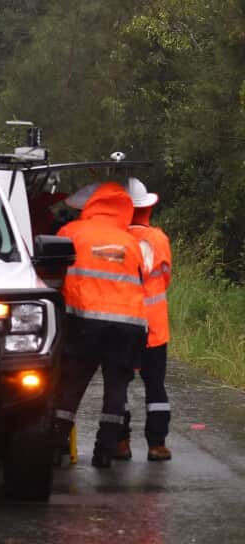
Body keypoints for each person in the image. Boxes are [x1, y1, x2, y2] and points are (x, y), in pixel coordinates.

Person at [51, 181, 148, 468]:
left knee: (71, 384)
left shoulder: (71, 232)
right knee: (116, 389)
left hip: (84, 320)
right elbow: (141, 279)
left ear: (92, 204)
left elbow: (53, 274)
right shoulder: (130, 242)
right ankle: (105, 453)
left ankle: (54, 448)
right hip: (128, 325)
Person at [117, 177, 174, 462]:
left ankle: (121, 443)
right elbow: (165, 279)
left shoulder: (114, 239)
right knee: (155, 385)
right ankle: (157, 445)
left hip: (123, 323)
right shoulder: (159, 239)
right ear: (146, 208)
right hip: (154, 327)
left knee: (118, 386)